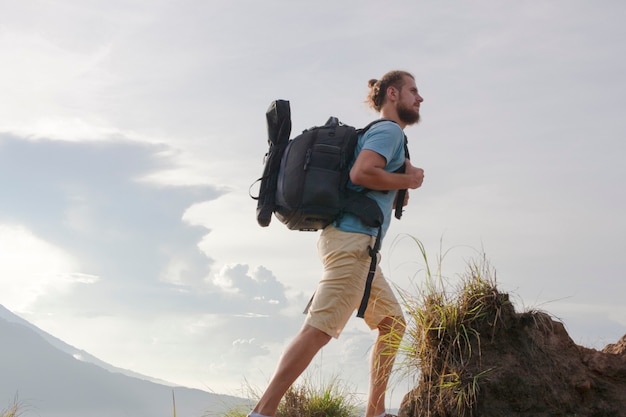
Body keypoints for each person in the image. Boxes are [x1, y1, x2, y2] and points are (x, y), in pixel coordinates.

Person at [249, 70, 425, 417]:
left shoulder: (384, 136)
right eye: (413, 91)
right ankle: (262, 412)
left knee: (392, 322)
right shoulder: (388, 131)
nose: (420, 98)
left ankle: (375, 412)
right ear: (393, 94)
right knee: (319, 329)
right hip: (353, 244)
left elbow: (363, 184)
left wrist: (399, 189)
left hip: (358, 246)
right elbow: (361, 173)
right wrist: (409, 180)